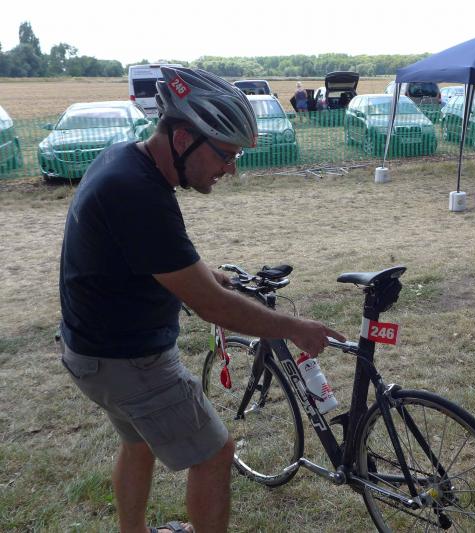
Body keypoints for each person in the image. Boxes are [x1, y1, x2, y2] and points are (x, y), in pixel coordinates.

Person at [58, 66, 345, 532]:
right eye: (226, 154)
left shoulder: (123, 161)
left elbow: (136, 253)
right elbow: (214, 307)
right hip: (129, 361)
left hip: (92, 352)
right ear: (182, 139)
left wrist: (203, 273)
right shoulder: (139, 194)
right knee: (215, 454)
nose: (231, 169)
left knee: (138, 443)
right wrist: (296, 328)